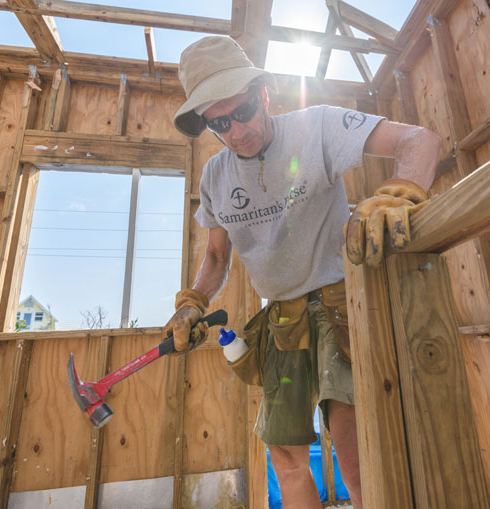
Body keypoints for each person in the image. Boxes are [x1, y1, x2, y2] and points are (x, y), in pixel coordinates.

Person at [166, 36, 440, 509]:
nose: (238, 131)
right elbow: (215, 257)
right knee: (287, 459)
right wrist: (193, 303)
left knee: (356, 458)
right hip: (283, 325)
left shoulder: (317, 126)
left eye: (245, 110)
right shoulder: (215, 177)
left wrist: (402, 190)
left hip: (343, 310)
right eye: (221, 123)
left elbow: (421, 140)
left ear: (264, 94)